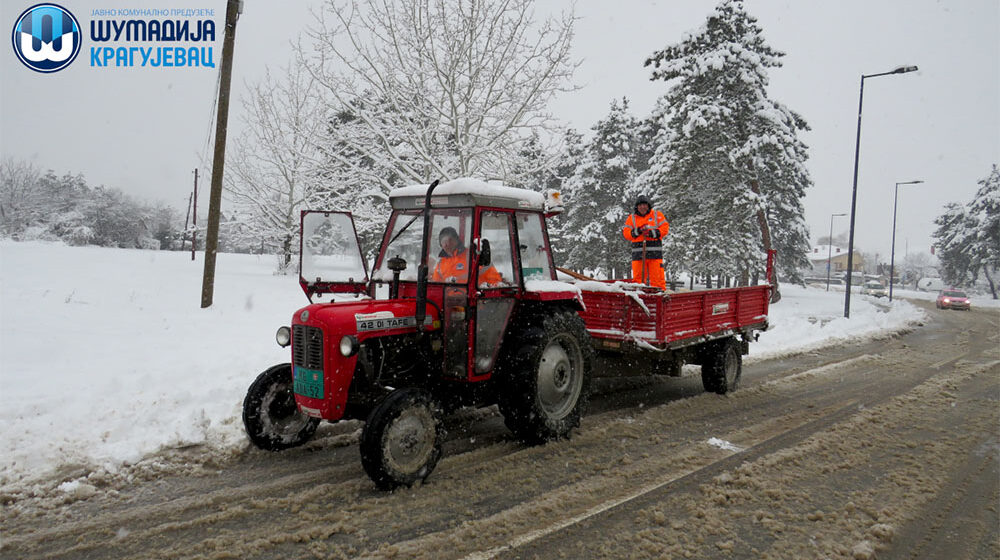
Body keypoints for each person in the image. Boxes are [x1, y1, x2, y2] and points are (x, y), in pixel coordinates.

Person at [622, 195, 670, 289]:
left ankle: (659, 298)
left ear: (648, 206)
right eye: (640, 205)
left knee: (657, 279)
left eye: (645, 205)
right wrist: (638, 231)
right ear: (637, 207)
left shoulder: (657, 215)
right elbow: (626, 234)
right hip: (638, 255)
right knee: (638, 280)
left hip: (655, 254)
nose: (642, 207)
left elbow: (665, 228)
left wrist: (652, 233)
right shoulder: (632, 218)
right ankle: (639, 298)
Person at [432, 227, 503, 285]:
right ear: (441, 245)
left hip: (469, 299)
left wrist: (485, 288)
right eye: (443, 242)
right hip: (447, 301)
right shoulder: (441, 263)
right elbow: (436, 286)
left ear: (457, 240)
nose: (447, 244)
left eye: (450, 240)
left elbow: (495, 281)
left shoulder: (472, 256)